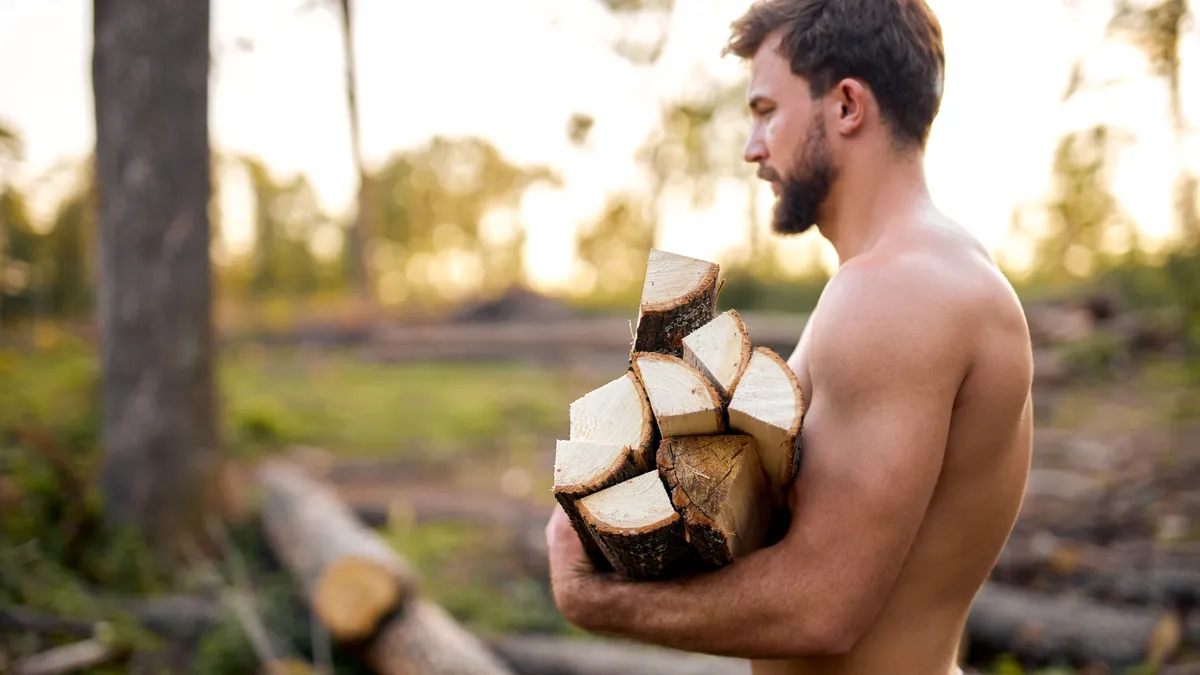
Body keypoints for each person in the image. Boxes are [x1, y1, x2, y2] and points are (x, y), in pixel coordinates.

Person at [544, 0, 1034, 673]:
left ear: (847, 106)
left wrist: (592, 599)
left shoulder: (898, 291)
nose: (753, 147)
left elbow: (821, 607)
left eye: (766, 110)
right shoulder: (922, 275)